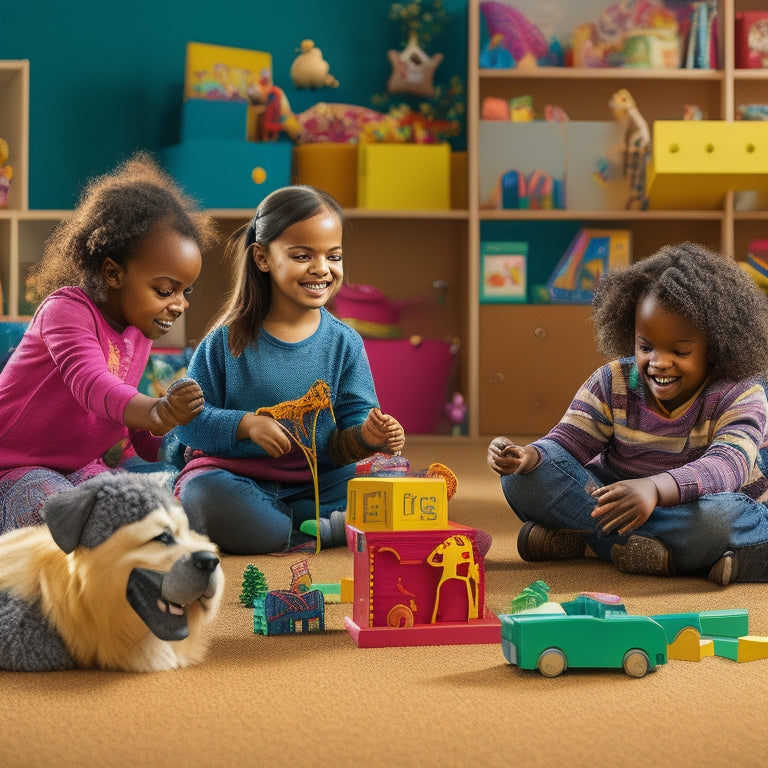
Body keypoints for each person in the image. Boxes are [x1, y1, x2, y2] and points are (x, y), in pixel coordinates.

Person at [487, 241, 768, 586]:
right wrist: (527, 457)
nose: (659, 362)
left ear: (716, 345)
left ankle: (589, 543)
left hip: (698, 504)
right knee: (521, 481)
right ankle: (664, 552)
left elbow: (728, 466)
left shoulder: (740, 392)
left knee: (720, 520)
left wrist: (653, 489)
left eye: (679, 351)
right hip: (619, 501)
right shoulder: (613, 381)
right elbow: (567, 442)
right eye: (645, 347)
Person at [173, 185, 405, 555]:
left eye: (334, 256)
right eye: (302, 255)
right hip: (239, 479)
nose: (322, 269)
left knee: (395, 483)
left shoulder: (345, 342)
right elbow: (187, 422)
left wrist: (371, 433)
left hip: (322, 481)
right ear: (262, 258)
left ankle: (294, 522)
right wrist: (246, 425)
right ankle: (316, 530)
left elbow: (352, 420)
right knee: (202, 495)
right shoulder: (225, 342)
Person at [0, 153, 216, 533]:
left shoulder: (139, 330)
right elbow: (93, 386)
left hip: (79, 466)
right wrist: (158, 410)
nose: (180, 304)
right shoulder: (65, 311)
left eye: (186, 291)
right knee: (60, 515)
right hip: (13, 466)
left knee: (151, 513)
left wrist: (170, 427)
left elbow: (137, 432)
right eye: (166, 290)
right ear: (113, 273)